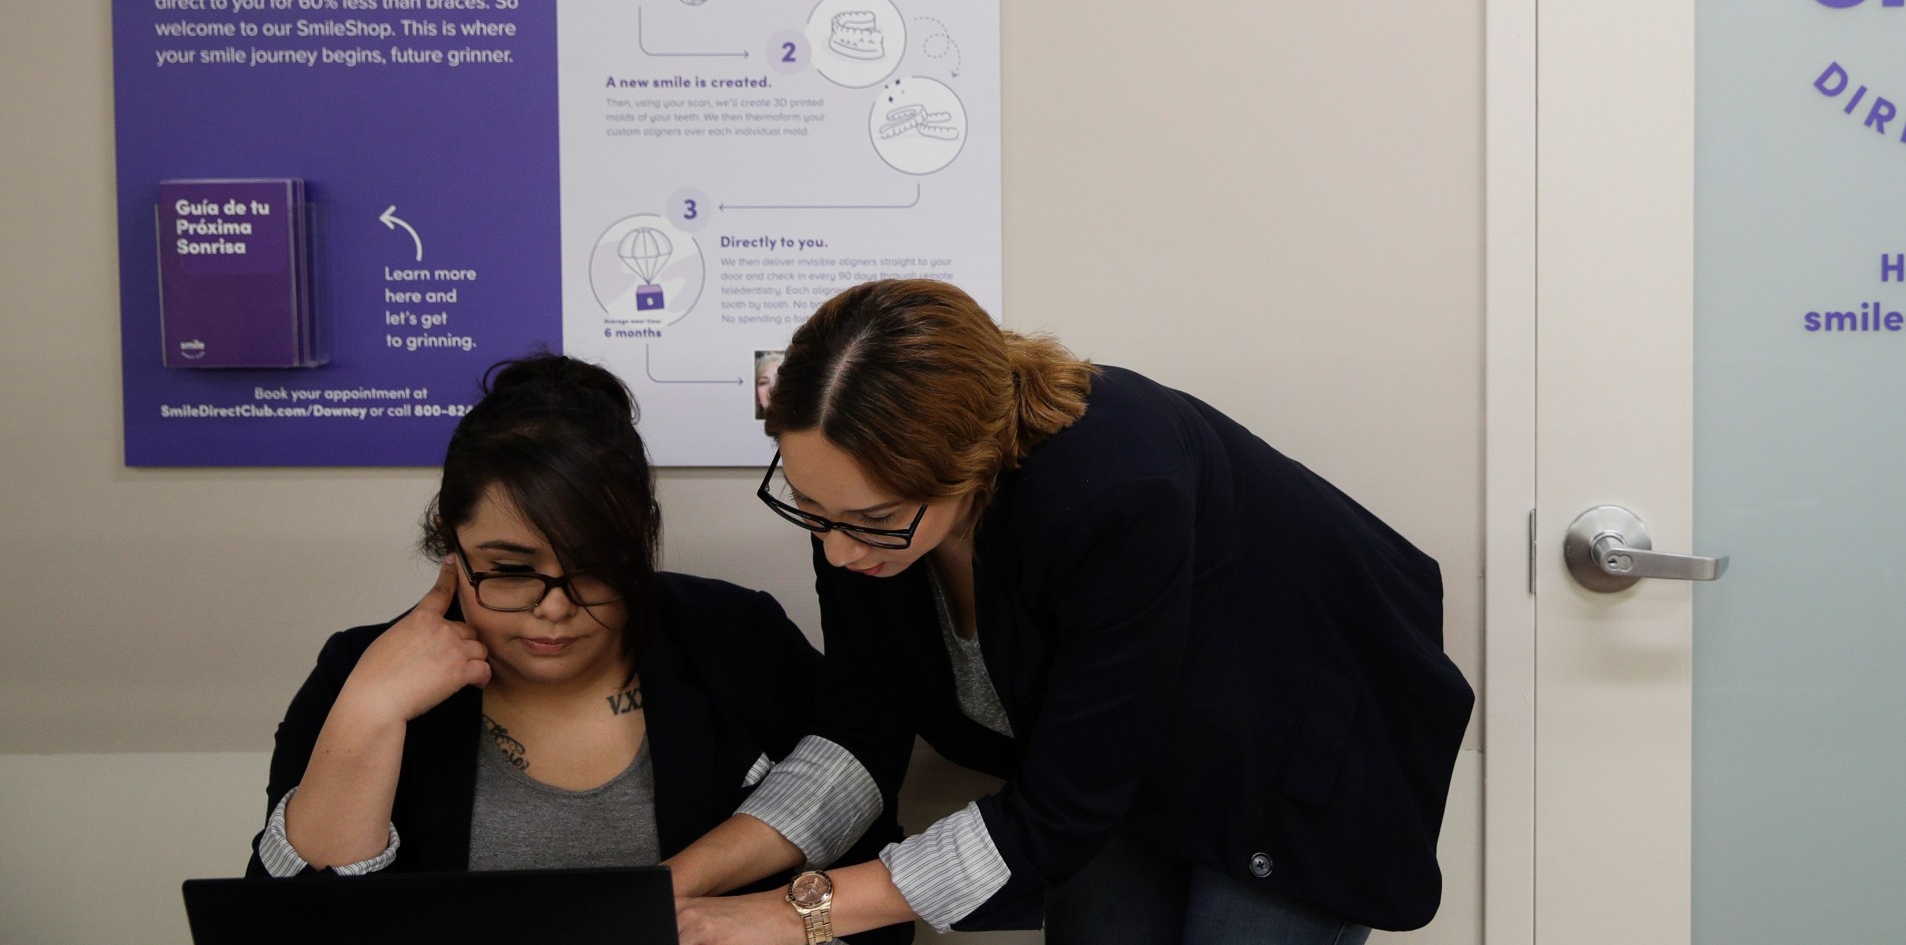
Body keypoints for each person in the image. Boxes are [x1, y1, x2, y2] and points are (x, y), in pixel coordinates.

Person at [670, 279, 1474, 945]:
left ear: (971, 465)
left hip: (1287, 736)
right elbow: (858, 731)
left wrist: (791, 913)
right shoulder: (858, 508)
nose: (840, 552)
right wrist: (670, 890)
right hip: (1111, 758)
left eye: (872, 520)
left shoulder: (1116, 489)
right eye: (810, 508)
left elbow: (1059, 810)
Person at [249, 353, 904, 941]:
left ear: (642, 539)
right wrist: (370, 714)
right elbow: (292, 926)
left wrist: (797, 924)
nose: (554, 609)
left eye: (595, 568)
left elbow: (863, 871)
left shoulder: (734, 638)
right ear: (452, 544)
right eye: (509, 569)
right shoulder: (361, 671)